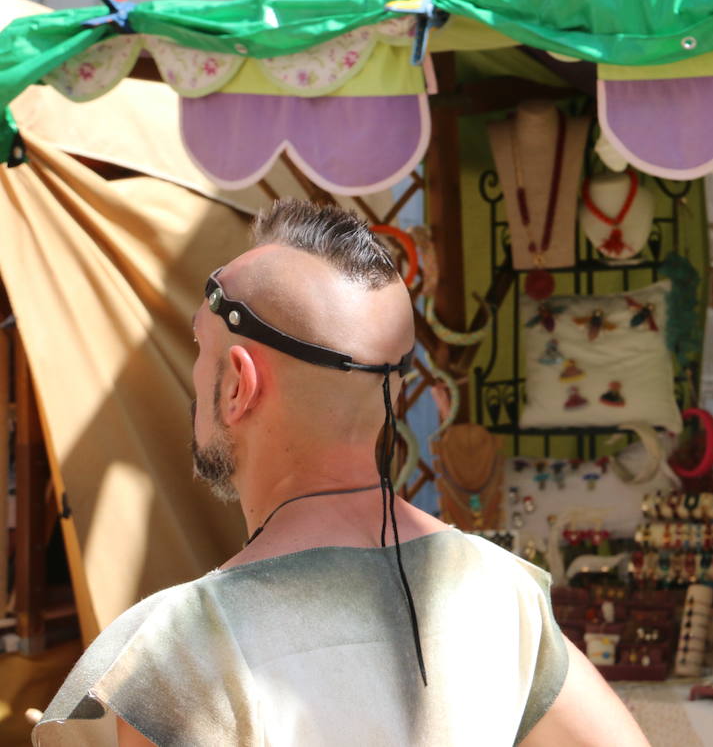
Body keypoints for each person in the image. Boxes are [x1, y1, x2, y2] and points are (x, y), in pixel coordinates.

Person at [34, 199, 647, 746]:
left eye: (202, 346)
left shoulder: (173, 653)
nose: (197, 373)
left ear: (239, 387)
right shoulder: (500, 591)